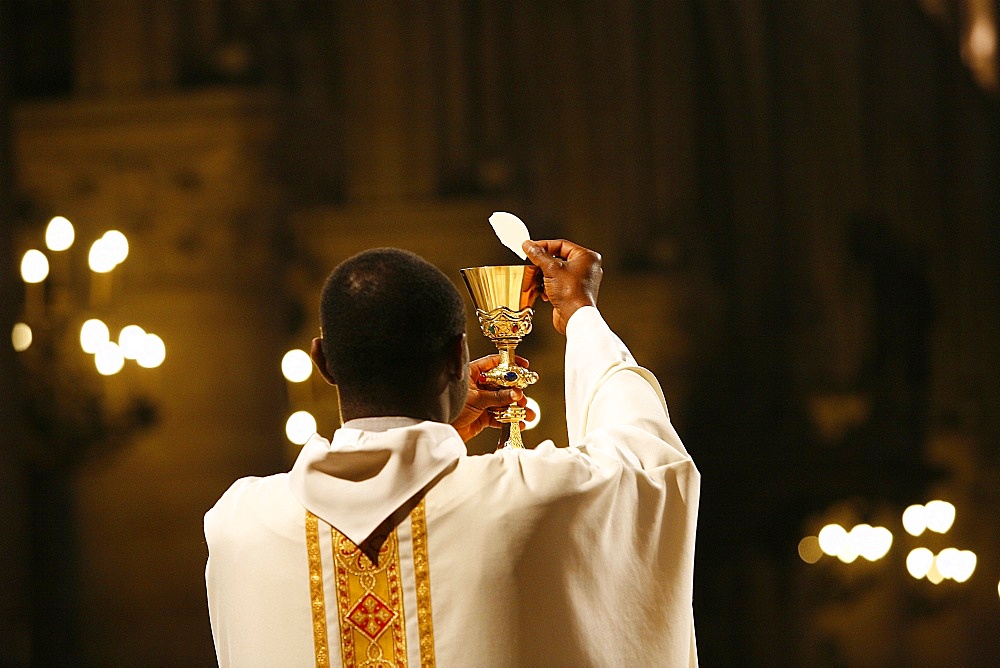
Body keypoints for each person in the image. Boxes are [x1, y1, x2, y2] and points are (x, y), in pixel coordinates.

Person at [205, 238, 700, 666]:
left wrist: (435, 445)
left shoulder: (237, 524)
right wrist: (581, 315)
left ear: (324, 362)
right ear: (458, 357)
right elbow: (649, 463)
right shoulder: (526, 502)